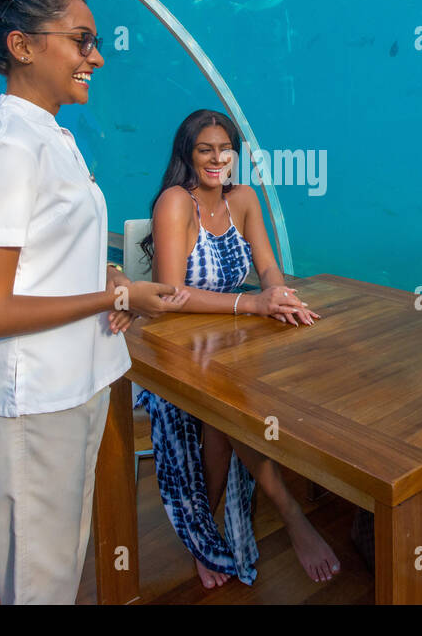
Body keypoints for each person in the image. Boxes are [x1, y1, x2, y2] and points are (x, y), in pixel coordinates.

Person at [0, 0, 185, 604]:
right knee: (41, 584)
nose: (98, 57)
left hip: (72, 385)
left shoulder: (49, 134)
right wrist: (116, 299)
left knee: (60, 564)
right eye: (82, 41)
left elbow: (42, 256)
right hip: (33, 395)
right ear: (23, 46)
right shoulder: (9, 146)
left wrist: (105, 275)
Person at [135, 109, 341, 589]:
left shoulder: (243, 199)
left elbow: (268, 265)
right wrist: (252, 303)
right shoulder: (174, 203)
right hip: (171, 355)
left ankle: (208, 535)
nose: (216, 158)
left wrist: (279, 294)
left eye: (224, 149)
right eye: (205, 149)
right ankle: (282, 519)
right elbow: (168, 295)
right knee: (224, 416)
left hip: (230, 350)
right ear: (187, 153)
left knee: (235, 405)